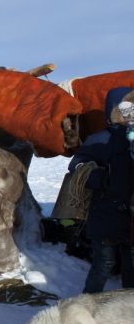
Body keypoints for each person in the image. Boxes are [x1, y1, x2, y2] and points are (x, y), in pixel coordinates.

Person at [68, 86, 134, 293]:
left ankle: (128, 311)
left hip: (132, 216)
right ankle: (87, 304)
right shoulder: (99, 139)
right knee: (104, 264)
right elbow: (77, 165)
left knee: (131, 266)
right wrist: (97, 177)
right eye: (124, 108)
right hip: (107, 212)